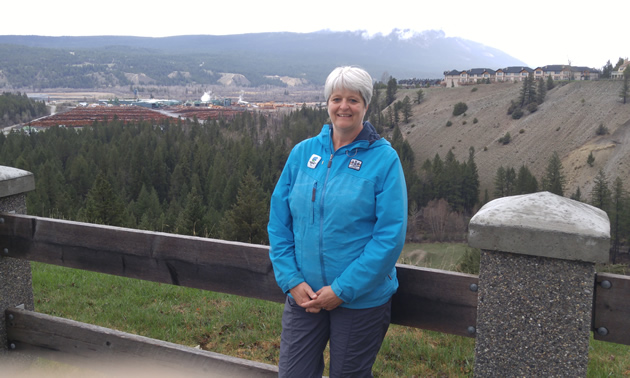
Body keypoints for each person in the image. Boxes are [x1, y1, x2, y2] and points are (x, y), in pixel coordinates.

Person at [267, 66, 408, 377]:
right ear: (327, 103)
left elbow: (390, 236)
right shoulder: (303, 153)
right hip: (304, 295)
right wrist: (291, 279)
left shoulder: (384, 160)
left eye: (353, 100)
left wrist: (342, 290)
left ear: (366, 106)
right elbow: (279, 222)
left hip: (361, 301)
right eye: (337, 98)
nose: (344, 106)